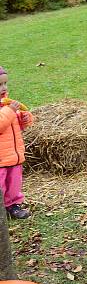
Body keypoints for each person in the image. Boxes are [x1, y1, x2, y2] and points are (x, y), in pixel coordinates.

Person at [0, 66, 34, 220]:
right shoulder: (8, 109)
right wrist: (9, 112)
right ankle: (2, 207)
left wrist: (24, 119)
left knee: (14, 182)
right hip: (1, 158)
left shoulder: (8, 105)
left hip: (14, 155)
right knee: (1, 184)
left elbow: (15, 125)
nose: (4, 88)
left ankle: (13, 205)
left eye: (5, 83)